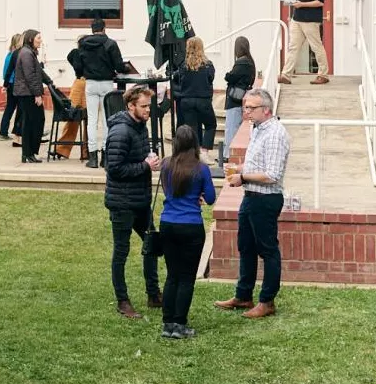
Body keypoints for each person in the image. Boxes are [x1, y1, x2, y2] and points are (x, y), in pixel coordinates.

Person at [216, 88, 290, 318]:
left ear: (266, 110)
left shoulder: (275, 133)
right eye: (245, 107)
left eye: (251, 108)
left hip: (265, 199)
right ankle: (243, 295)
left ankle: (267, 300)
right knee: (246, 245)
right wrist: (240, 170)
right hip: (250, 197)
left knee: (267, 249)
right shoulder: (257, 129)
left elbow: (272, 174)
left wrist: (244, 176)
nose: (246, 111)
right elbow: (258, 166)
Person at [105, 85, 163, 319]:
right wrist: (145, 166)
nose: (149, 110)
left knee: (152, 244)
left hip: (140, 199)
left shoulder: (140, 126)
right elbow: (114, 168)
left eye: (150, 106)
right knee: (121, 252)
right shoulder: (121, 131)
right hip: (122, 202)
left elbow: (137, 159)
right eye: (144, 106)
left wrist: (149, 160)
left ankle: (153, 294)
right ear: (131, 106)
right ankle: (123, 300)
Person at [158, 125, 216, 339]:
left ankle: (167, 322)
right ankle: (180, 323)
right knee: (186, 277)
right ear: (195, 145)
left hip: (168, 222)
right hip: (191, 224)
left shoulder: (166, 165)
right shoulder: (201, 169)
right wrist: (198, 194)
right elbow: (210, 198)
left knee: (172, 275)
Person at [77, 18, 127, 168]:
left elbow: (78, 65)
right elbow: (118, 65)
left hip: (90, 83)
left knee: (92, 120)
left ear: (91, 29)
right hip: (106, 83)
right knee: (107, 120)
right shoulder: (110, 43)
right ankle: (105, 156)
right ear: (104, 28)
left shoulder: (83, 44)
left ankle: (92, 157)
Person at [279, 0, 329, 85]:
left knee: (316, 47)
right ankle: (286, 75)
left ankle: (323, 75)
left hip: (310, 21)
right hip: (297, 20)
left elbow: (320, 1)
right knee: (293, 47)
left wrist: (302, 4)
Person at [171, 37, 216, 158]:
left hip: (186, 101)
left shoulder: (183, 66)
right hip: (203, 100)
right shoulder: (208, 65)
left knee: (193, 129)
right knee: (210, 125)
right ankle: (205, 152)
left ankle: (195, 154)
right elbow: (211, 78)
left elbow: (176, 78)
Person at [11, 30, 45, 163]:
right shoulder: (26, 53)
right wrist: (37, 94)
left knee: (31, 122)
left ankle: (28, 153)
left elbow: (38, 72)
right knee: (33, 122)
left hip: (28, 92)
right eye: (38, 38)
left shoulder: (29, 52)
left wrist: (49, 82)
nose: (40, 40)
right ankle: (28, 153)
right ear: (31, 39)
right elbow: (30, 76)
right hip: (27, 94)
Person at [55, 38, 88, 160]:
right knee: (84, 118)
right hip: (87, 83)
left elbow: (73, 61)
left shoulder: (76, 53)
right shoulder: (79, 53)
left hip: (80, 83)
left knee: (74, 117)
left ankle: (63, 149)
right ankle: (86, 151)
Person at [223, 36, 256, 150]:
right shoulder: (250, 62)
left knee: (231, 127)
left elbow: (230, 77)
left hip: (234, 99)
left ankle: (227, 155)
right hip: (243, 96)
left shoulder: (241, 62)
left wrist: (227, 75)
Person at [0, 33, 23, 141]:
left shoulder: (9, 55)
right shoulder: (15, 55)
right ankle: (17, 131)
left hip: (10, 84)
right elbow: (10, 72)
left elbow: (5, 72)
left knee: (9, 108)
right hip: (14, 84)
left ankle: (3, 132)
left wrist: (6, 84)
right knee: (19, 109)